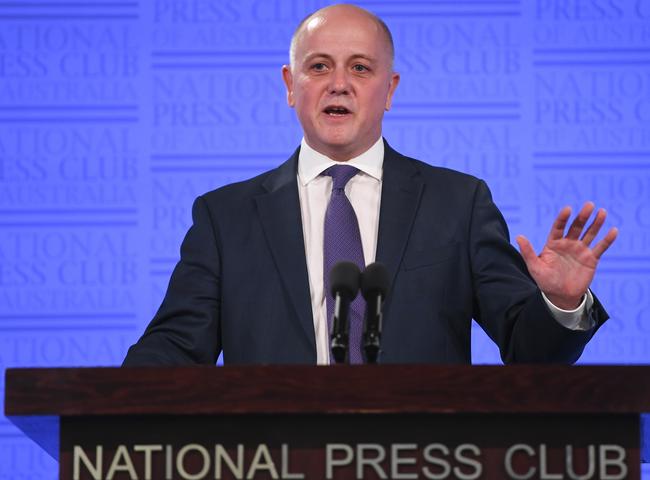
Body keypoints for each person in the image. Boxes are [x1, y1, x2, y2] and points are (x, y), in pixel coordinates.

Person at [123, 4, 617, 366]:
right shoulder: (225, 217)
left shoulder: (458, 204)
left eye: (360, 67)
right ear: (290, 86)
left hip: (425, 465)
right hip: (273, 462)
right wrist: (102, 404)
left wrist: (561, 303)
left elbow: (531, 353)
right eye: (318, 67)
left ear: (390, 90)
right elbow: (174, 349)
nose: (339, 83)